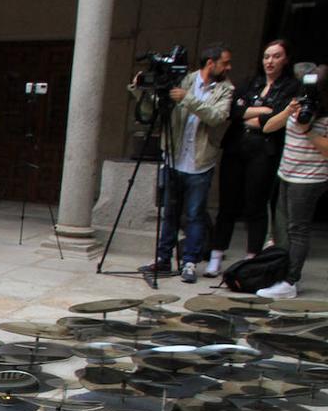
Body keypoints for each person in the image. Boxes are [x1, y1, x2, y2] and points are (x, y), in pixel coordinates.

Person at [138, 43, 234, 283]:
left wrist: (188, 100)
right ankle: (163, 258)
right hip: (174, 157)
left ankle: (190, 262)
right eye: (225, 63)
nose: (228, 67)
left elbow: (216, 117)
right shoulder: (183, 80)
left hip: (200, 163)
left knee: (194, 215)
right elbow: (155, 110)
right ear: (210, 63)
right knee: (170, 213)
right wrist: (142, 90)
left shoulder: (225, 88)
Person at [204, 39, 297, 277]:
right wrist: (262, 111)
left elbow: (276, 120)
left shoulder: (290, 87)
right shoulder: (250, 82)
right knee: (227, 204)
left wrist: (256, 115)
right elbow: (233, 112)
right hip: (236, 147)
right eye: (267, 56)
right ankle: (216, 255)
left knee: (255, 204)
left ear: (285, 59)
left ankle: (252, 260)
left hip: (263, 151)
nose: (270, 61)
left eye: (276, 56)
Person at [257, 65, 328, 300]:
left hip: (309, 178)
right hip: (286, 173)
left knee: (298, 229)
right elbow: (268, 126)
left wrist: (307, 130)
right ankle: (281, 271)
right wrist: (288, 111)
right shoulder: (298, 104)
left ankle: (290, 281)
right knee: (283, 229)